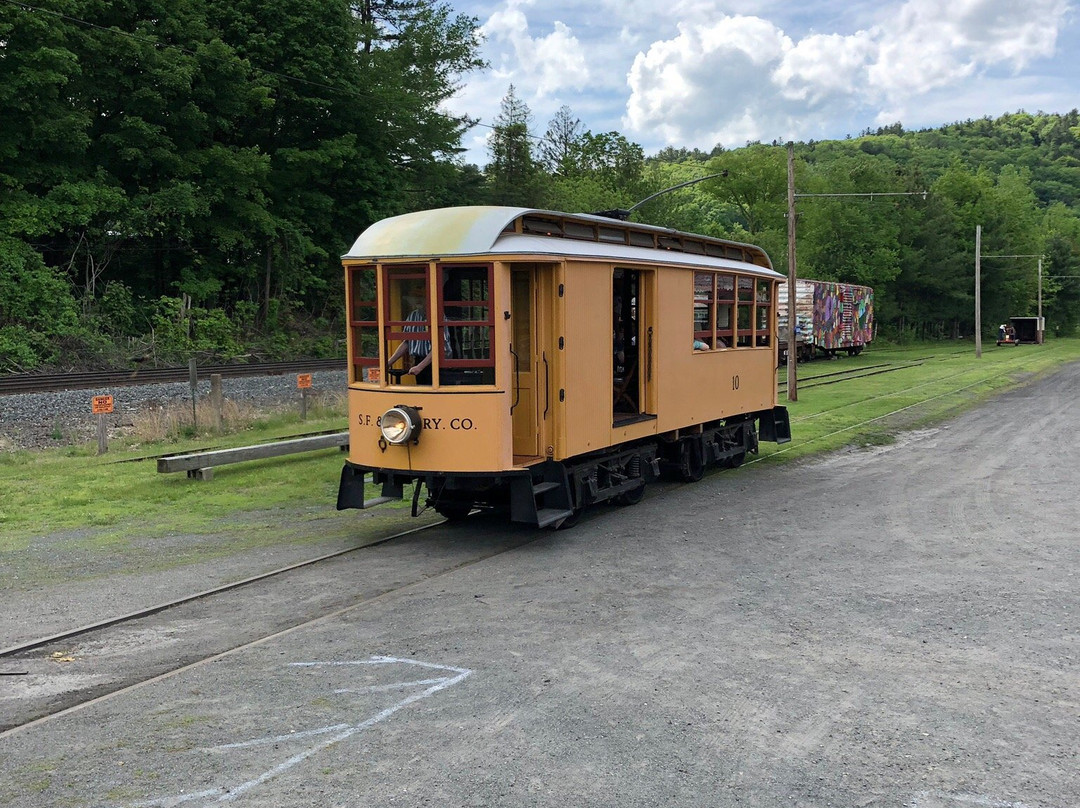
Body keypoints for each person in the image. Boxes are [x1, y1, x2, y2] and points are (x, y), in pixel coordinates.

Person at [387, 298, 449, 385]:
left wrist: (420, 367)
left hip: (436, 363)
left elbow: (440, 347)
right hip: (419, 360)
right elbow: (407, 342)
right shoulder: (413, 316)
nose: (417, 302)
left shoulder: (438, 316)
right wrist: (388, 363)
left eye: (420, 298)